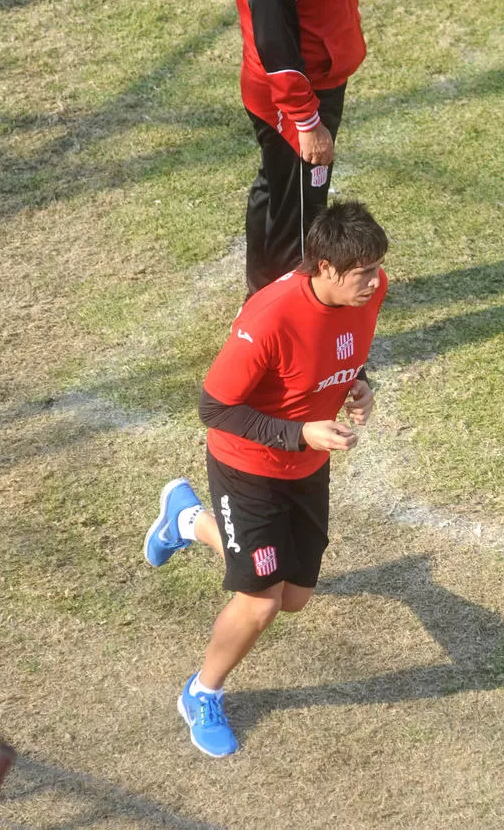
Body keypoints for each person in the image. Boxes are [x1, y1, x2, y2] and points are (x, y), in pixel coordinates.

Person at [143, 201, 388, 757]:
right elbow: (215, 408)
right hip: (248, 467)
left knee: (296, 597)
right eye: (362, 274)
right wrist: (300, 434)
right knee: (261, 602)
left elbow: (344, 343)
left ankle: (184, 520)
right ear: (323, 267)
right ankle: (201, 692)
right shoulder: (270, 317)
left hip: (307, 464)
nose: (374, 284)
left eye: (377, 269)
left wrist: (358, 382)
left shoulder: (368, 289)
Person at [232, 0, 367, 295]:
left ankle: (261, 300)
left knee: (279, 194)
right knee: (302, 214)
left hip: (311, 83)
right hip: (296, 96)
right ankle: (293, 321)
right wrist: (306, 122)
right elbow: (275, 46)